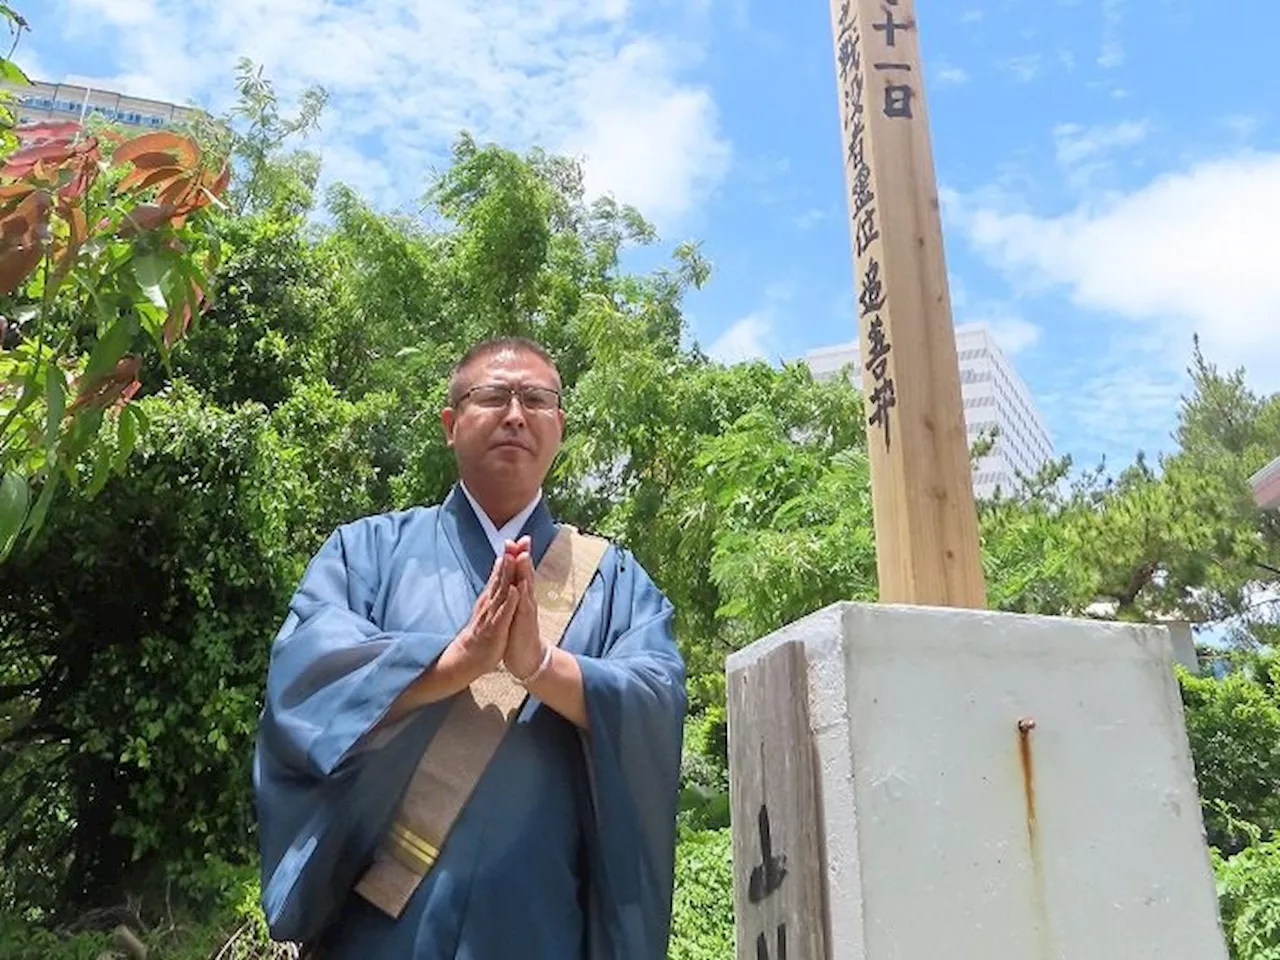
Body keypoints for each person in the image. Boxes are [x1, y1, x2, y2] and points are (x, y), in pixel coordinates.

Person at [252, 336, 688, 959]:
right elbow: (306, 676)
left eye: (536, 400)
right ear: (451, 425)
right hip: (382, 930)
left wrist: (539, 665)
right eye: (494, 396)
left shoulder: (615, 582)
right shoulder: (367, 551)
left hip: (541, 927)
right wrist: (456, 663)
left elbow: (657, 698)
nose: (516, 414)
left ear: (558, 428)